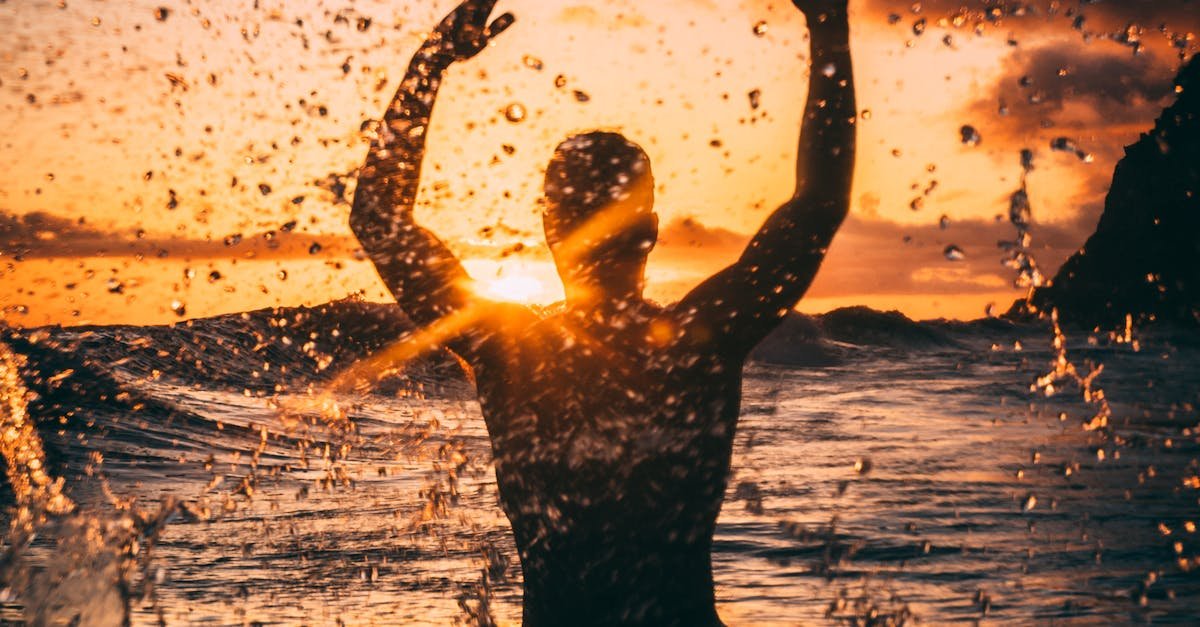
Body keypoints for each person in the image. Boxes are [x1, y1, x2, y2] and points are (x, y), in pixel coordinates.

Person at [348, 0, 855, 624]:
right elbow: (817, 205)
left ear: (549, 229)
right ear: (651, 229)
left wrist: (431, 63)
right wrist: (828, 26)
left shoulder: (510, 350)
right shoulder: (697, 339)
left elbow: (378, 217)